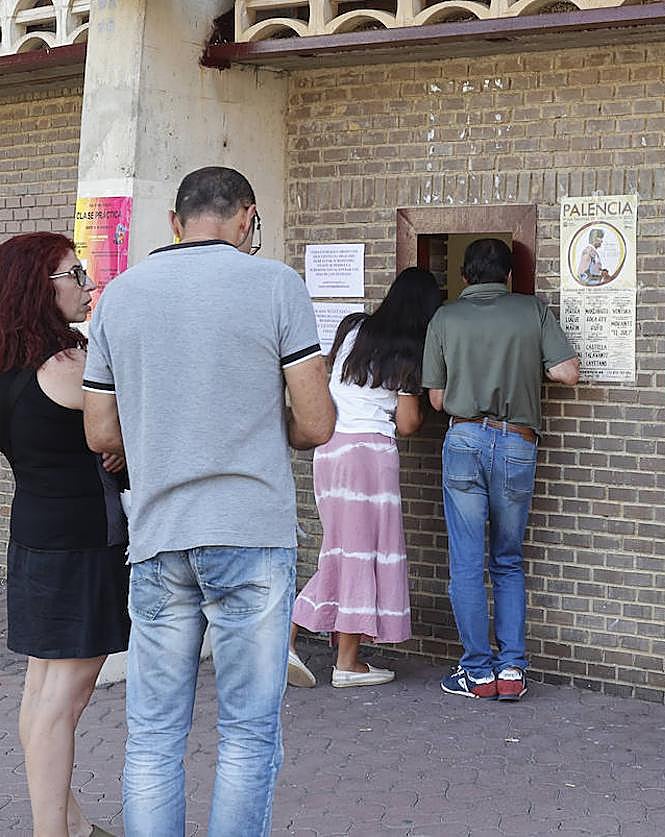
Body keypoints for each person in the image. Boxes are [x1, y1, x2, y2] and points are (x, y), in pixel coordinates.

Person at [81, 167, 335, 836]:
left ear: (175, 221)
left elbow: (101, 432)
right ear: (248, 218)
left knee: (154, 736)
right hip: (251, 530)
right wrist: (253, 415)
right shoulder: (277, 285)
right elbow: (315, 423)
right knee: (248, 735)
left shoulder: (120, 296)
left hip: (160, 531)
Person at [0, 232, 128, 837]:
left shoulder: (11, 362)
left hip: (33, 535)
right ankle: (52, 831)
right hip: (83, 540)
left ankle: (67, 821)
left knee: (42, 690)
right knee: (65, 698)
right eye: (75, 275)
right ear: (39, 288)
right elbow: (133, 423)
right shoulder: (69, 364)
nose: (87, 285)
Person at [423, 238, 579, 701]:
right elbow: (568, 372)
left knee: (467, 564)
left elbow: (434, 398)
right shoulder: (531, 310)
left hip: (465, 438)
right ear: (508, 276)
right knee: (507, 561)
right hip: (517, 442)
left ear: (466, 276)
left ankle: (477, 671)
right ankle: (512, 669)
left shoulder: (445, 317)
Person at [288, 267, 442, 688]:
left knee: (343, 551)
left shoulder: (352, 327)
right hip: (369, 457)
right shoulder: (410, 349)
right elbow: (408, 424)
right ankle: (336, 657)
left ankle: (335, 653)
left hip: (331, 450)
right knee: (360, 555)